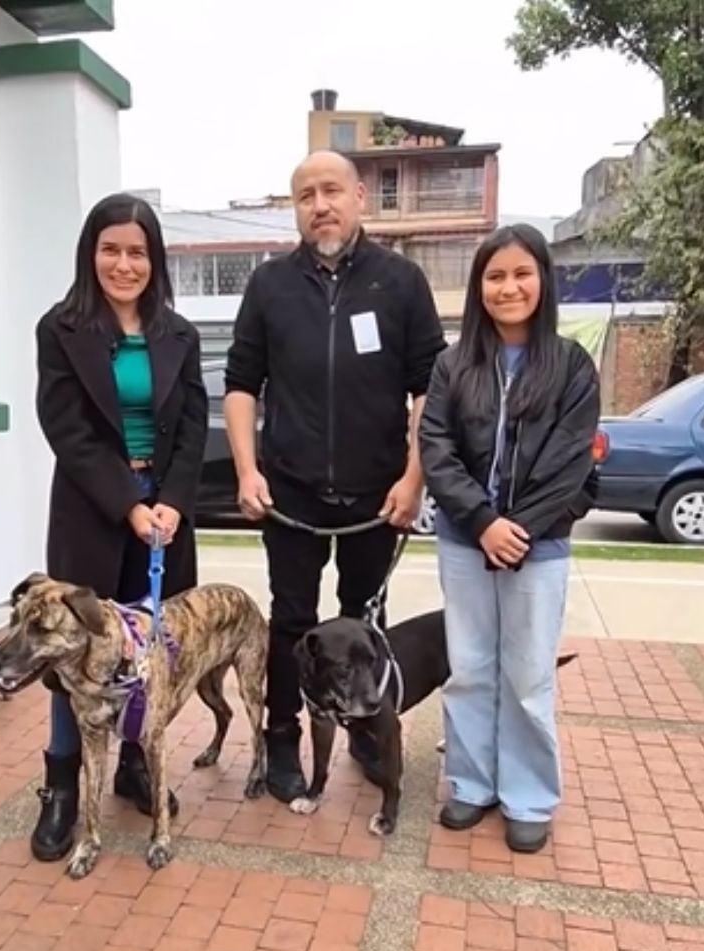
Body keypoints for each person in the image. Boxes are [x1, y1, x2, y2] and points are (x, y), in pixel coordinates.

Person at [224, 151, 448, 803]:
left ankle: (363, 730)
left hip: (375, 496)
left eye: (330, 191)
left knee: (361, 624)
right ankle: (283, 739)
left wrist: (414, 479)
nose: (318, 204)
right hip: (289, 493)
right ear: (293, 209)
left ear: (357, 197)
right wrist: (247, 470)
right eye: (304, 195)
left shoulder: (400, 282)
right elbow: (241, 385)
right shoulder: (269, 287)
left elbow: (427, 390)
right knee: (292, 622)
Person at [29, 193, 207, 861]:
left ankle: (134, 766)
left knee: (146, 651)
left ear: (154, 259)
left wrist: (173, 503)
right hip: (92, 515)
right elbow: (68, 432)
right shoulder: (61, 328)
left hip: (162, 518)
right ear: (90, 252)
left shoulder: (178, 333)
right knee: (70, 657)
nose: (124, 264)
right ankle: (62, 789)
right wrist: (127, 503)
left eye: (138, 251)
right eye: (111, 249)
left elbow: (193, 424)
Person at [419, 225, 599, 853]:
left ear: (543, 280)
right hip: (466, 541)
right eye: (495, 276)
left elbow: (571, 460)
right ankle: (470, 783)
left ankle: (528, 796)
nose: (509, 287)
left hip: (538, 546)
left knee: (527, 676)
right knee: (468, 667)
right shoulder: (452, 364)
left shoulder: (572, 365)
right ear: (478, 288)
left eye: (522, 273)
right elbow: (436, 451)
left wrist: (516, 530)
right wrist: (481, 523)